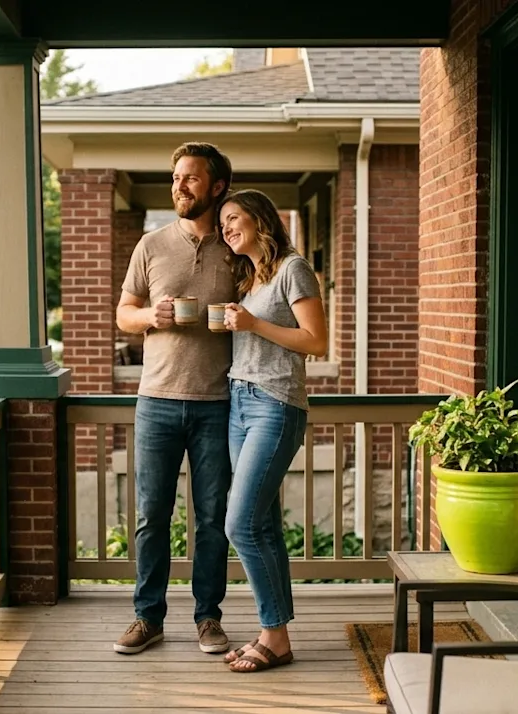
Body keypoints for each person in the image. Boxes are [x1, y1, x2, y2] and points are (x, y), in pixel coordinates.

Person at [113, 142, 237, 655]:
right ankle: (148, 617)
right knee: (151, 515)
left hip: (218, 402)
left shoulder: (237, 246)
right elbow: (124, 311)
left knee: (212, 518)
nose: (179, 186)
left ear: (216, 186)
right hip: (157, 400)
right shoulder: (151, 244)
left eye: (190, 178)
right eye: (176, 178)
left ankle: (208, 618)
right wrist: (150, 318)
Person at [217, 189, 328, 673]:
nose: (226, 228)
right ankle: (275, 634)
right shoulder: (252, 278)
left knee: (238, 523)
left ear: (261, 219)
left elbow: (317, 341)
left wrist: (254, 324)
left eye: (233, 218)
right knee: (261, 524)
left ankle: (274, 635)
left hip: (275, 405)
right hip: (239, 403)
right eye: (222, 223)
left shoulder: (293, 268)